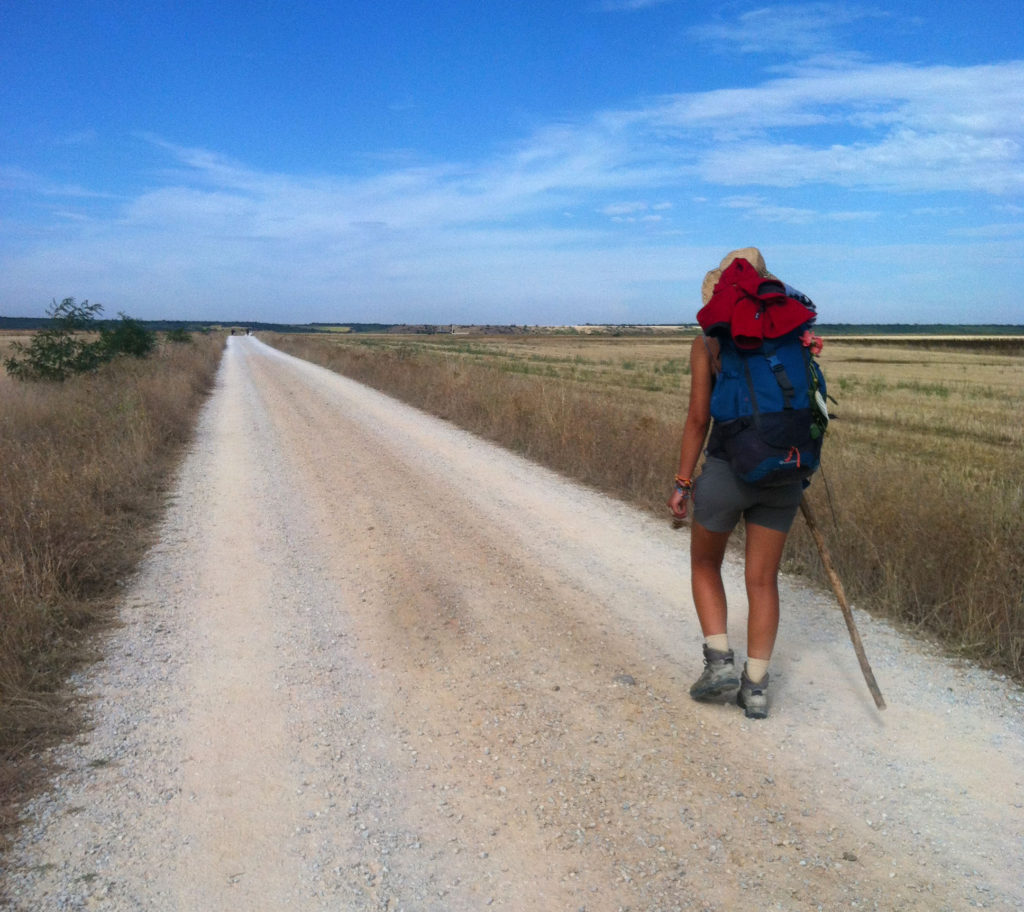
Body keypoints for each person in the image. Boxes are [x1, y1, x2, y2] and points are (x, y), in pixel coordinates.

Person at [667, 248, 806, 720]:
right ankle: (757, 687)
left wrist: (683, 482)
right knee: (763, 580)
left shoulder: (709, 339)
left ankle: (719, 662)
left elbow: (698, 418)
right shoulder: (794, 331)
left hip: (728, 469)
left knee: (705, 563)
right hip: (785, 471)